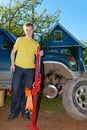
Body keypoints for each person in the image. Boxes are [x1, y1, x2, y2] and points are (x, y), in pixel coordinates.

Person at [7, 22, 43, 121]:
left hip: (30, 71)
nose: (28, 32)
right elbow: (13, 52)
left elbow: (38, 57)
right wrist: (13, 64)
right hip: (18, 68)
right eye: (26, 30)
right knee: (16, 91)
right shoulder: (20, 40)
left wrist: (40, 53)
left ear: (33, 30)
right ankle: (13, 113)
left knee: (27, 92)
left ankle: (25, 113)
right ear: (24, 30)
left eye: (30, 30)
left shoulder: (36, 44)